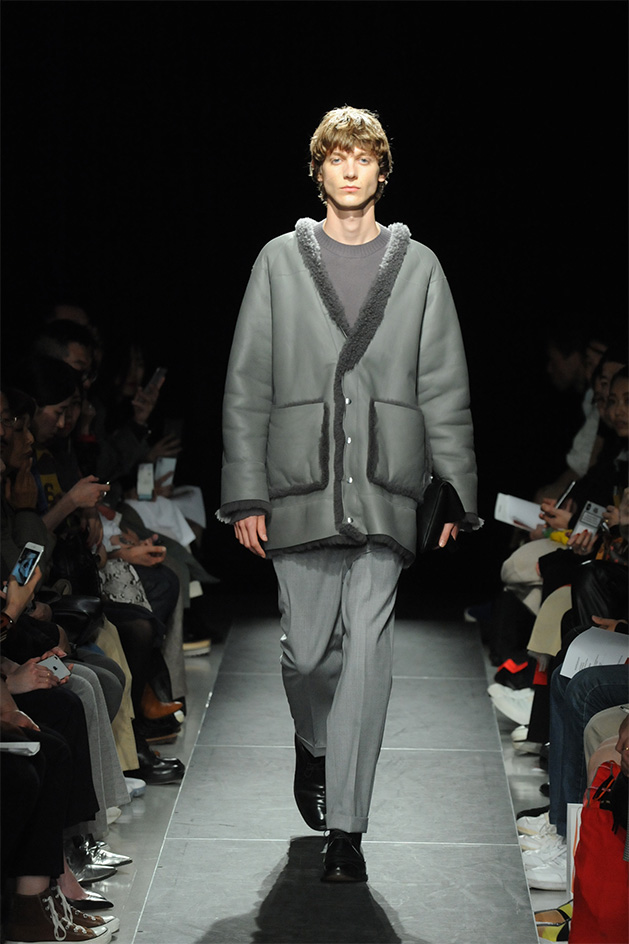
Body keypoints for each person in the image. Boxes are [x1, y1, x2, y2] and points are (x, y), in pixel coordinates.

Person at [218, 106, 478, 883]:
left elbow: (443, 382)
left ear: (382, 172)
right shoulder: (277, 260)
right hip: (299, 483)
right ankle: (315, 743)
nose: (351, 169)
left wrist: (452, 490)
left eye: (364, 157)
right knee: (306, 657)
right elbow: (247, 382)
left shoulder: (419, 265)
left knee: (367, 656)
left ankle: (347, 831)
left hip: (388, 486)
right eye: (337, 157)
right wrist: (246, 494)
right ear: (318, 171)